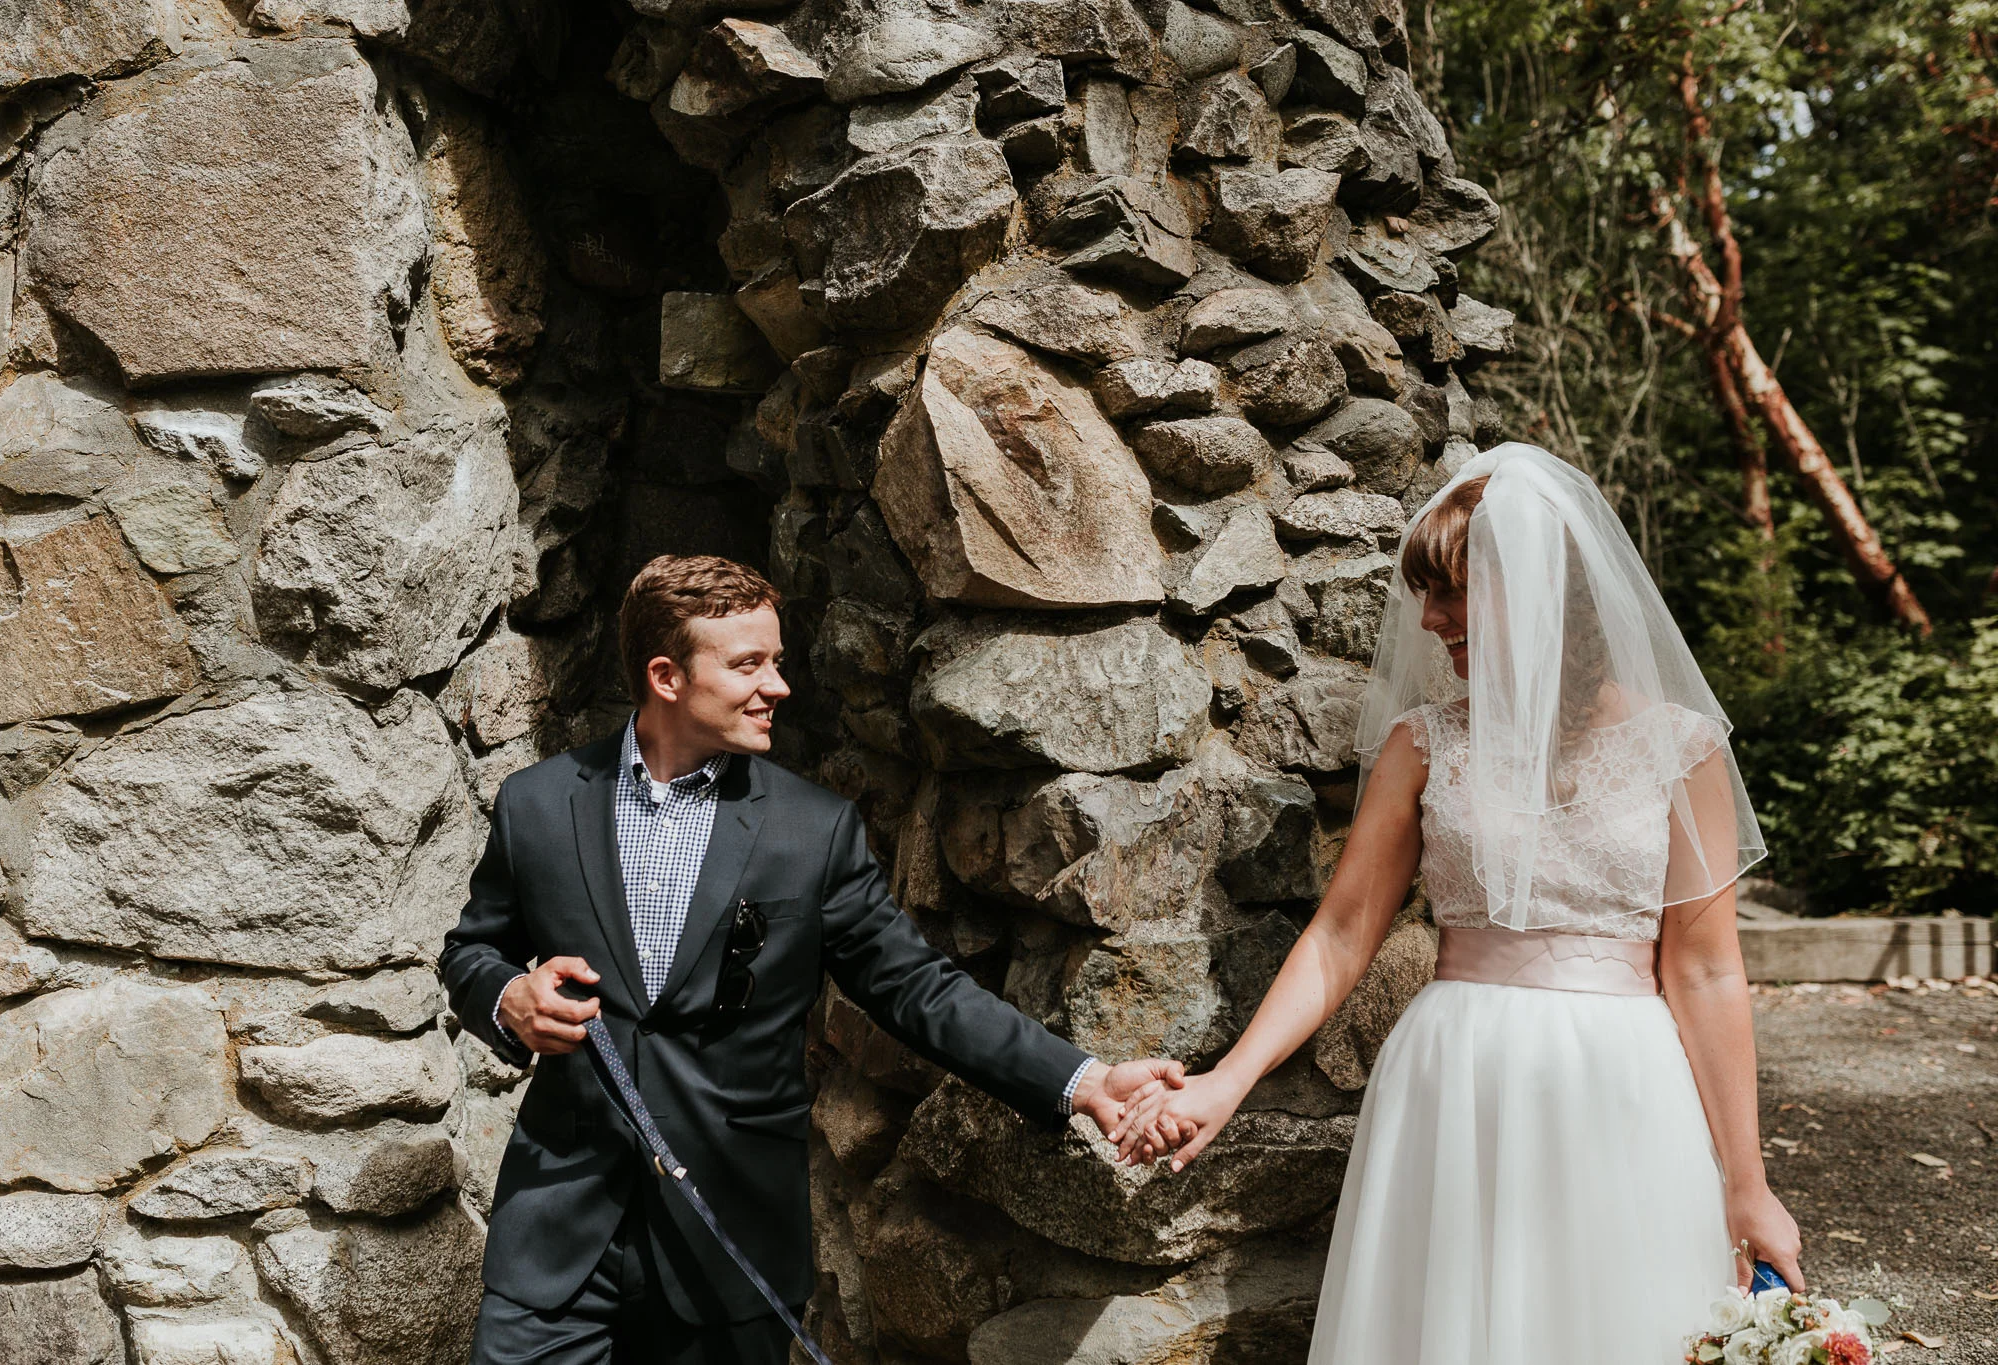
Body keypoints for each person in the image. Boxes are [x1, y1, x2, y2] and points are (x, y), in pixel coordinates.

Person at [1115, 444, 1804, 1364]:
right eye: (1425, 594)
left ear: (1545, 590)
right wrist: (1225, 1082)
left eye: (1453, 591)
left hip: (1624, 1087)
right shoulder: (1424, 742)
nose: (1430, 619)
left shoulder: (1680, 748)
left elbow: (1708, 967)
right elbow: (1343, 932)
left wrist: (1748, 1184)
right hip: (1454, 1082)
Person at [442, 554, 1183, 1365]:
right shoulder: (538, 802)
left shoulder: (811, 830)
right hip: (555, 1239)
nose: (778, 686)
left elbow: (915, 987)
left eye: (779, 660)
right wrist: (507, 995)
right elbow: (472, 948)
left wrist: (1080, 1081)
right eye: (748, 663)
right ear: (666, 676)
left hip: (730, 1245)